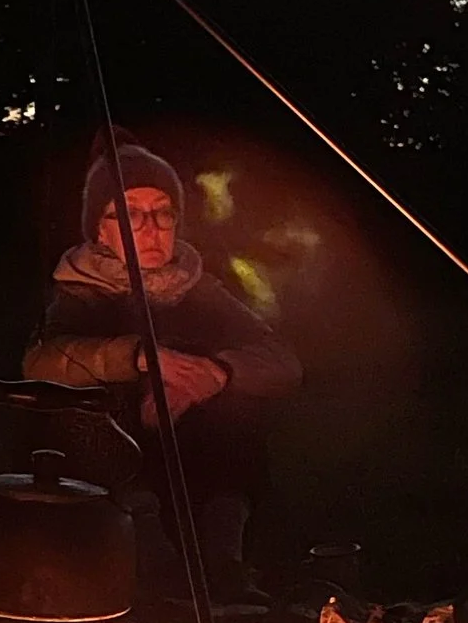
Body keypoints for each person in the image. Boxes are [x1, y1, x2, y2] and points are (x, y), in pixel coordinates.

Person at [23, 134, 301, 595]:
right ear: (100, 229)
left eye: (163, 212)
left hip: (195, 453)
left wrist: (215, 374)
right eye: (130, 213)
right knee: (83, 409)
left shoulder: (199, 289)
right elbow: (43, 361)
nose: (151, 228)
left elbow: (282, 361)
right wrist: (142, 360)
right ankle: (150, 558)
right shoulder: (80, 289)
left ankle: (222, 560)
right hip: (118, 463)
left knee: (242, 402)